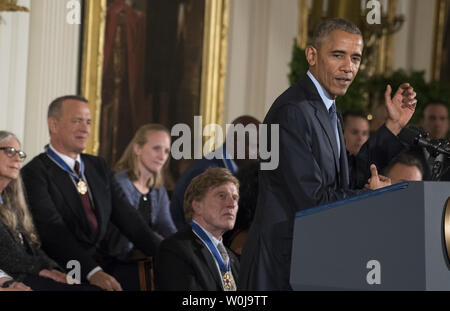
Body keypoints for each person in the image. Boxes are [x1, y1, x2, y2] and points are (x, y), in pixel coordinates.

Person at [239, 18, 417, 291]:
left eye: (355, 58)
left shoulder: (326, 109)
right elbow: (312, 199)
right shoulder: (293, 111)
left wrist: (392, 127)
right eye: (338, 55)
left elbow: (347, 179)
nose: (348, 67)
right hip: (279, 268)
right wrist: (374, 197)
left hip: (308, 258)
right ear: (312, 55)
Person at [21, 95, 163, 291]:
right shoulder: (34, 173)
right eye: (77, 121)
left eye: (88, 122)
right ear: (53, 125)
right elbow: (53, 232)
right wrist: (92, 271)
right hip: (65, 268)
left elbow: (130, 219)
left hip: (106, 263)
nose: (85, 128)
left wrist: (169, 253)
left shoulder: (98, 166)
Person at [0, 131, 98, 291]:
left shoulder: (11, 202)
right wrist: (43, 268)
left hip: (29, 274)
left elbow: (31, 248)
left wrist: (53, 269)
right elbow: (8, 256)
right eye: (10, 151)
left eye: (19, 153)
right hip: (16, 279)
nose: (18, 158)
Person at [155, 168, 240, 291]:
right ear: (197, 206)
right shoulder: (174, 250)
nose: (232, 203)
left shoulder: (233, 259)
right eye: (222, 196)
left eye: (235, 197)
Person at [170, 115, 260, 229]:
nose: (259, 154)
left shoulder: (235, 171)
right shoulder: (207, 172)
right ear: (235, 142)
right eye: (255, 146)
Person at [110, 124, 177, 259]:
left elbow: (167, 227)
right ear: (137, 148)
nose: (162, 156)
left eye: (166, 151)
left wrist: (182, 248)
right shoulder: (120, 183)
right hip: (118, 260)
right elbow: (133, 231)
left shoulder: (159, 190)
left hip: (144, 259)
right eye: (156, 148)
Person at [407, 102, 450, 180]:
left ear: (448, 123)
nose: (437, 124)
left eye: (442, 118)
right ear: (422, 121)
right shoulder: (407, 153)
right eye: (432, 118)